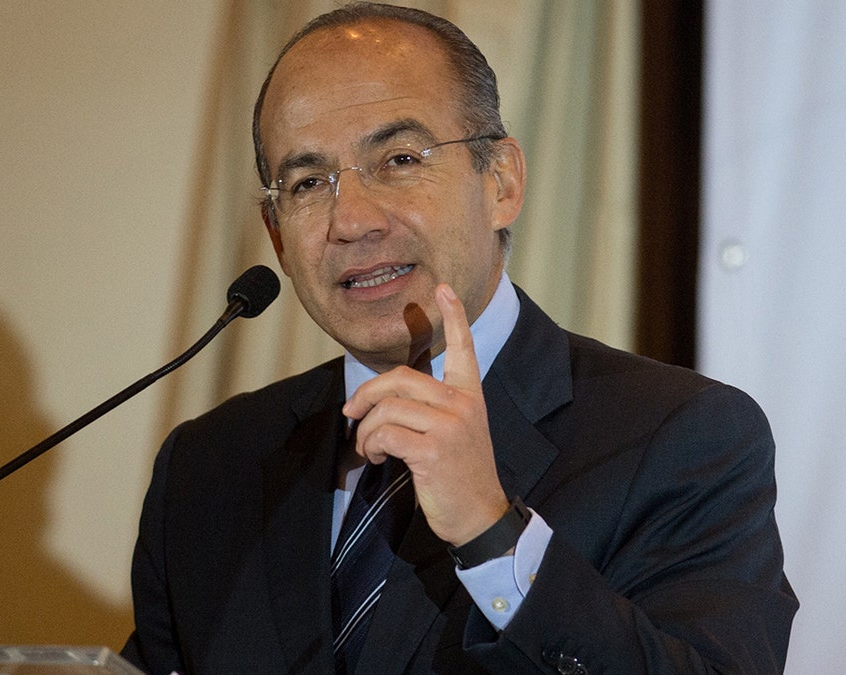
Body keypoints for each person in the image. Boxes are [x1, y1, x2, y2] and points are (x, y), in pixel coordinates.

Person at [122, 3, 797, 673]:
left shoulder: (684, 436)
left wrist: (492, 531)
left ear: (501, 182)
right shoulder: (208, 468)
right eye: (306, 183)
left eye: (399, 158)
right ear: (277, 237)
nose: (351, 220)